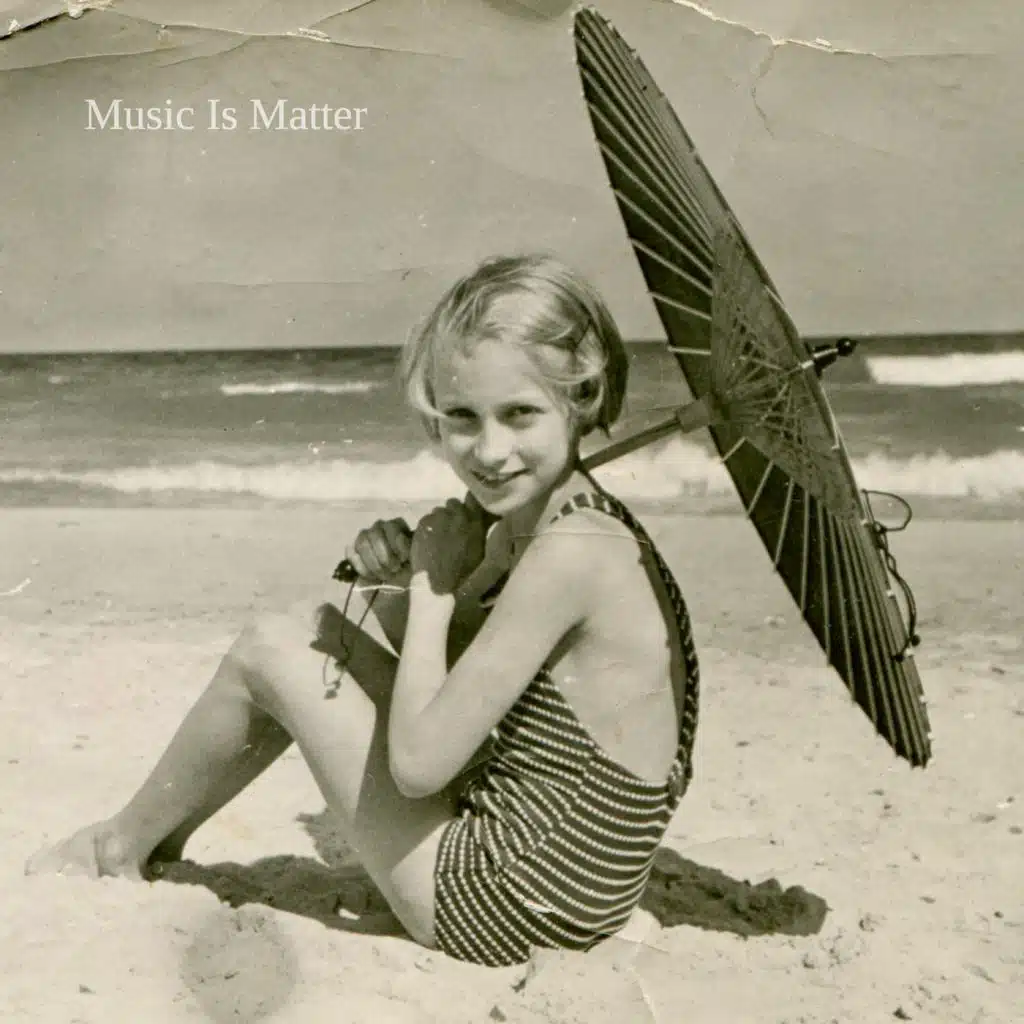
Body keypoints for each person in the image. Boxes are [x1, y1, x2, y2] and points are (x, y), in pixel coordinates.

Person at [26, 253, 700, 967]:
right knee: (311, 635)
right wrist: (401, 578)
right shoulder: (567, 522)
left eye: (520, 414)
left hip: (507, 905)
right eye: (462, 418)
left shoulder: (571, 551)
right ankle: (152, 840)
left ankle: (119, 848)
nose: (490, 450)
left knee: (270, 647)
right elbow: (465, 684)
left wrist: (434, 588)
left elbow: (419, 765)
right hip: (581, 892)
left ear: (583, 397)